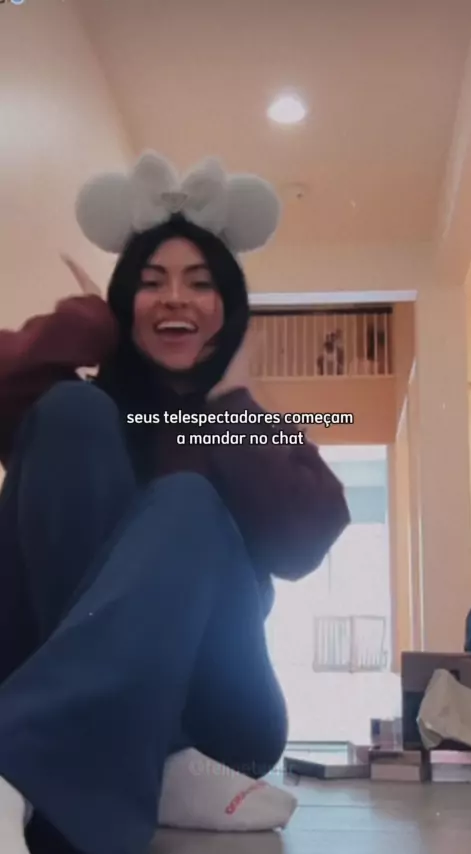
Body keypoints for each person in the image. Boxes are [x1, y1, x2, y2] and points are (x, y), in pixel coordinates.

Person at [0, 152, 350, 854]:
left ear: (226, 307)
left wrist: (231, 405)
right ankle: (146, 754)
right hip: (67, 699)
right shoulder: (83, 411)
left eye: (200, 282)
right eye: (151, 282)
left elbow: (305, 541)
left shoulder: (244, 423)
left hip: (219, 719)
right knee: (70, 411)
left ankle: (32, 753)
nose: (175, 299)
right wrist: (87, 322)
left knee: (188, 499)